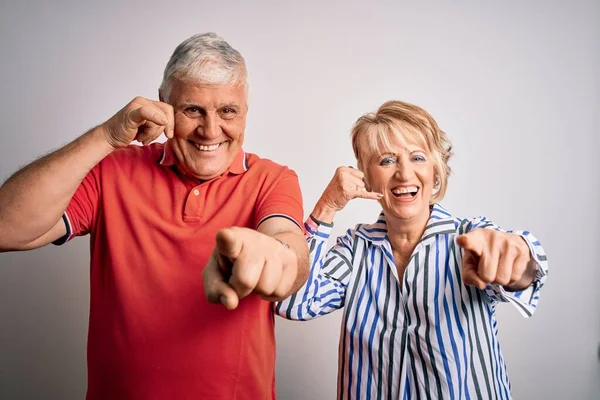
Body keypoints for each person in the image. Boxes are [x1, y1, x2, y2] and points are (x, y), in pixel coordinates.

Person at [0, 32, 309, 399]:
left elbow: (289, 249)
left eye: (228, 111)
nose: (210, 130)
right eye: (192, 109)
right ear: (164, 104)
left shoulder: (272, 179)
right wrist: (106, 136)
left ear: (245, 112)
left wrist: (272, 256)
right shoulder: (111, 170)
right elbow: (7, 230)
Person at [276, 100, 548, 399]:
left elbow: (522, 268)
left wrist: (518, 262)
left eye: (418, 158)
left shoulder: (471, 236)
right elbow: (295, 303)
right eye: (387, 160)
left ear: (435, 172)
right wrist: (327, 207)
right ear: (366, 177)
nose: (404, 174)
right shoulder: (356, 249)